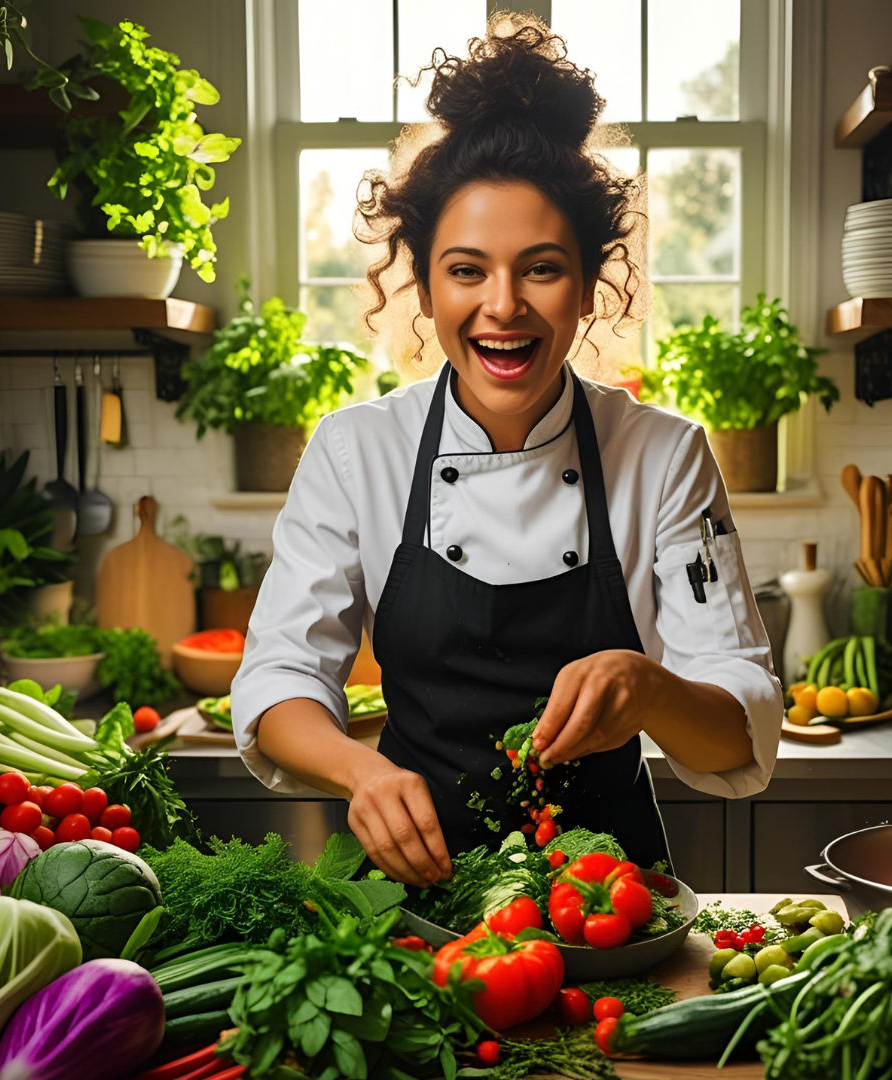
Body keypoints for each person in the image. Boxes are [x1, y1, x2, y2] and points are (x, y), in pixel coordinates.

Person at [231, 11, 783, 888]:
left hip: (608, 909)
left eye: (540, 267)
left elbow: (741, 730)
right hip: (410, 901)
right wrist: (359, 772)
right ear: (421, 279)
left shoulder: (663, 454)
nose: (502, 306)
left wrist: (650, 690)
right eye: (465, 270)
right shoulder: (355, 450)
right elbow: (279, 682)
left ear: (589, 280)